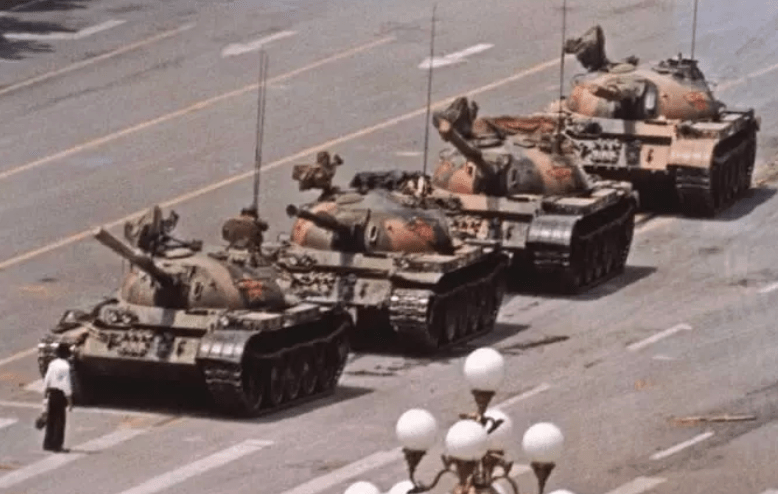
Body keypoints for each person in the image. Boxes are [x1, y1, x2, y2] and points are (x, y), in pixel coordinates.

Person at [42, 343, 73, 452]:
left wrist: (45, 394)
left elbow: (47, 379)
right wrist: (69, 401)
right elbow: (66, 385)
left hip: (52, 393)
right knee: (60, 421)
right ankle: (57, 445)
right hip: (60, 395)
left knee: (51, 419)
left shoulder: (52, 363)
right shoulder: (65, 366)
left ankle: (48, 443)